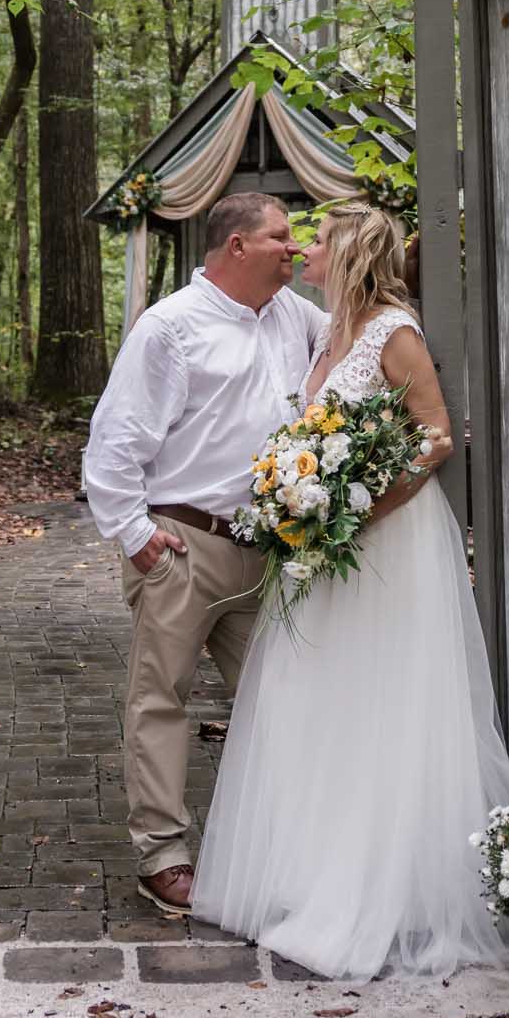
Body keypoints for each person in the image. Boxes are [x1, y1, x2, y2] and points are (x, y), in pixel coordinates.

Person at [193, 202, 509, 979]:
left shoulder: (391, 331)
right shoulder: (324, 328)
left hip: (384, 547)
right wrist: (299, 497)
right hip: (326, 549)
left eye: (319, 236)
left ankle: (381, 893)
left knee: (380, 705)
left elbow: (434, 435)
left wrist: (355, 509)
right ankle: (310, 874)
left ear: (350, 251)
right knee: (314, 705)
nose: (304, 246)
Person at [81, 191, 328, 917]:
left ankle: (279, 842)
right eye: (282, 236)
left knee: (284, 696)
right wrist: (135, 535)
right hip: (182, 543)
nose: (294, 247)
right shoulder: (169, 328)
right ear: (238, 246)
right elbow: (116, 439)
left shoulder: (295, 317)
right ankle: (161, 853)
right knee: (161, 698)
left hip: (271, 549)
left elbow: (359, 337)